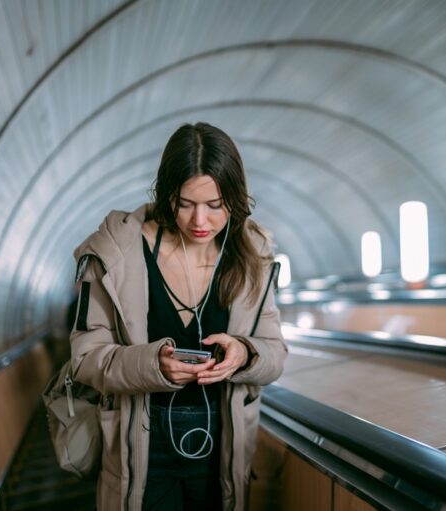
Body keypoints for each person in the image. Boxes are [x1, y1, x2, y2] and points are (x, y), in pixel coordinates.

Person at [69, 122, 287, 511]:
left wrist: (244, 352)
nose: (199, 221)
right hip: (140, 442)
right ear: (166, 193)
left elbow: (275, 354)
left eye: (215, 206)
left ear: (235, 200)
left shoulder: (253, 258)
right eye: (185, 204)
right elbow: (85, 356)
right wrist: (152, 365)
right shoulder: (117, 253)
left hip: (223, 444)